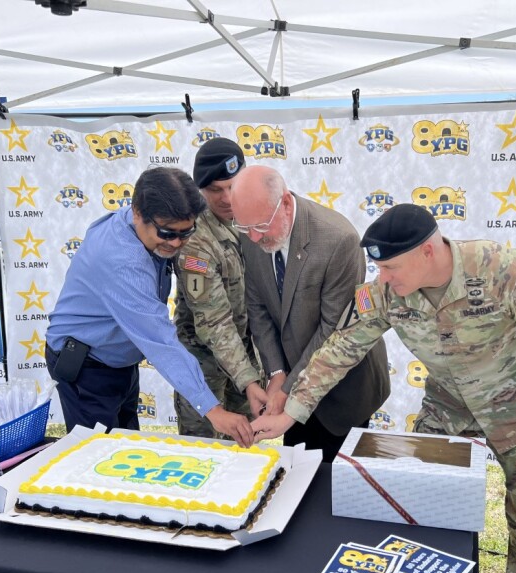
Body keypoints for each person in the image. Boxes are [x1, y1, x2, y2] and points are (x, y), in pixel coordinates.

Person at [252, 204, 516, 573]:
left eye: (390, 266)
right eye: (380, 267)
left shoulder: (502, 269)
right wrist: (293, 411)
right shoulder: (387, 292)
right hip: (448, 406)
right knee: (419, 495)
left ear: (428, 251)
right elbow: (342, 347)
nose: (383, 277)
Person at [45, 167, 253, 445]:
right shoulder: (122, 261)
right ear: (137, 213)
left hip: (118, 361)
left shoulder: (139, 225)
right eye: (168, 233)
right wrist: (214, 410)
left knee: (126, 447)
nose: (177, 244)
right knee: (97, 458)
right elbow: (161, 343)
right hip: (87, 369)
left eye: (186, 232)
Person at [231, 165, 390, 462]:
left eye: (261, 227)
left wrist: (287, 388)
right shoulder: (251, 231)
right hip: (291, 379)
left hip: (344, 393)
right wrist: (277, 373)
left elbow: (332, 329)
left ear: (286, 204)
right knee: (296, 474)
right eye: (244, 228)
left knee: (338, 487)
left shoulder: (338, 240)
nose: (253, 237)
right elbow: (257, 307)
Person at [173, 138, 265, 438]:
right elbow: (214, 324)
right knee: (201, 450)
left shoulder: (258, 218)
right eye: (215, 190)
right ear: (201, 189)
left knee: (245, 448)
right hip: (205, 364)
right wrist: (249, 380)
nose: (227, 198)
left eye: (232, 185)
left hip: (247, 354)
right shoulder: (196, 243)